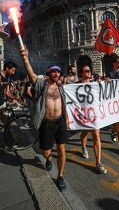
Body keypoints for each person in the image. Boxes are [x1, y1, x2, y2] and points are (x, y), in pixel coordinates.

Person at [19, 46, 68, 191]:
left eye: (58, 71)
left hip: (60, 122)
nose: (56, 73)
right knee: (46, 152)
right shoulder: (42, 85)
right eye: (53, 71)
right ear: (48, 73)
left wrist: (67, 117)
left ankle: (60, 176)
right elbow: (32, 75)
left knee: (61, 149)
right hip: (46, 123)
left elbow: (64, 103)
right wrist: (25, 58)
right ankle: (49, 158)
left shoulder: (61, 87)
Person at [76, 65, 107, 174]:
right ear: (81, 73)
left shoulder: (95, 83)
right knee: (84, 132)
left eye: (89, 70)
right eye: (86, 71)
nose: (89, 72)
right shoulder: (77, 85)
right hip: (83, 113)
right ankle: (84, 148)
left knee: (96, 136)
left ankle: (98, 163)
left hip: (95, 113)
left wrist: (106, 83)